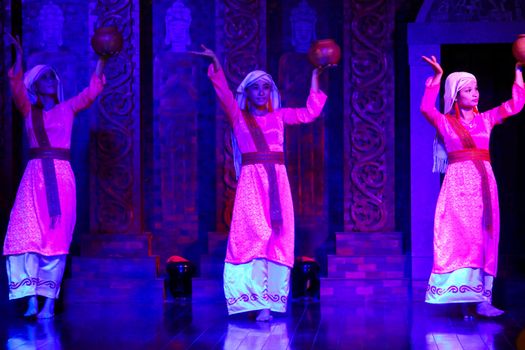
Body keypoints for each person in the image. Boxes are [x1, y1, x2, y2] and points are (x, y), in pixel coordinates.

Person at [191, 45, 328, 321]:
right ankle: (256, 300)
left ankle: (270, 300)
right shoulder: (239, 117)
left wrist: (315, 75)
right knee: (255, 236)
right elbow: (224, 95)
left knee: (277, 237)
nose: (261, 93)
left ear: (271, 92)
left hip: (278, 181)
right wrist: (217, 62)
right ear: (248, 93)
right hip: (252, 183)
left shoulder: (279, 116)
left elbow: (309, 113)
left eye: (266, 88)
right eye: (256, 88)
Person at [3, 33, 106, 318]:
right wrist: (18, 54)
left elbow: (91, 91)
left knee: (54, 238)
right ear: (35, 85)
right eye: (45, 77)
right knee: (24, 235)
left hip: (60, 178)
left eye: (53, 77)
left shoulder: (67, 109)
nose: (51, 80)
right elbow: (15, 85)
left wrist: (101, 60)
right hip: (34, 176)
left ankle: (48, 300)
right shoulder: (28, 111)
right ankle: (31, 297)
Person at [420, 55, 525, 317]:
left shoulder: (486, 119)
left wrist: (519, 70)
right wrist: (437, 77)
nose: (475, 94)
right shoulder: (445, 122)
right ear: (456, 95)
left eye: (476, 89)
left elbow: (516, 104)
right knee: (460, 237)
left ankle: (482, 300)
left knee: (483, 237)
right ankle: (460, 298)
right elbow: (425, 108)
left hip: (483, 184)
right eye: (468, 90)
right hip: (457, 184)